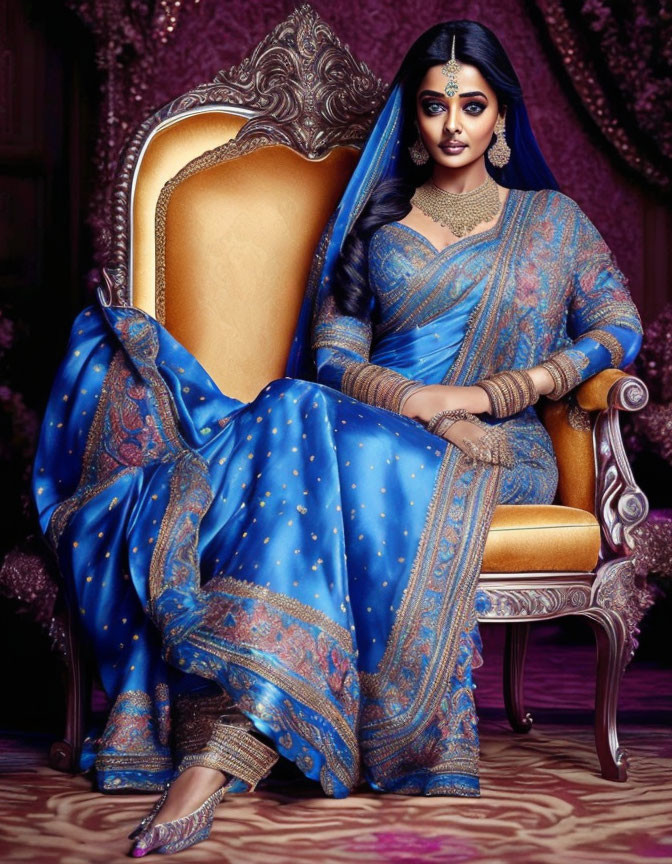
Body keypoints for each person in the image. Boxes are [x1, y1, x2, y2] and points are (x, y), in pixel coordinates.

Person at [32, 19, 642, 857]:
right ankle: (233, 739)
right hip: (370, 430)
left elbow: (617, 326)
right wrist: (420, 402)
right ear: (414, 118)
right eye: (435, 107)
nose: (453, 124)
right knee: (293, 407)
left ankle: (219, 754)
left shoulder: (553, 222)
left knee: (291, 420)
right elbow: (333, 356)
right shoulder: (378, 223)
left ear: (502, 119)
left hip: (496, 454)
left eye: (473, 105)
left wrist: (498, 392)